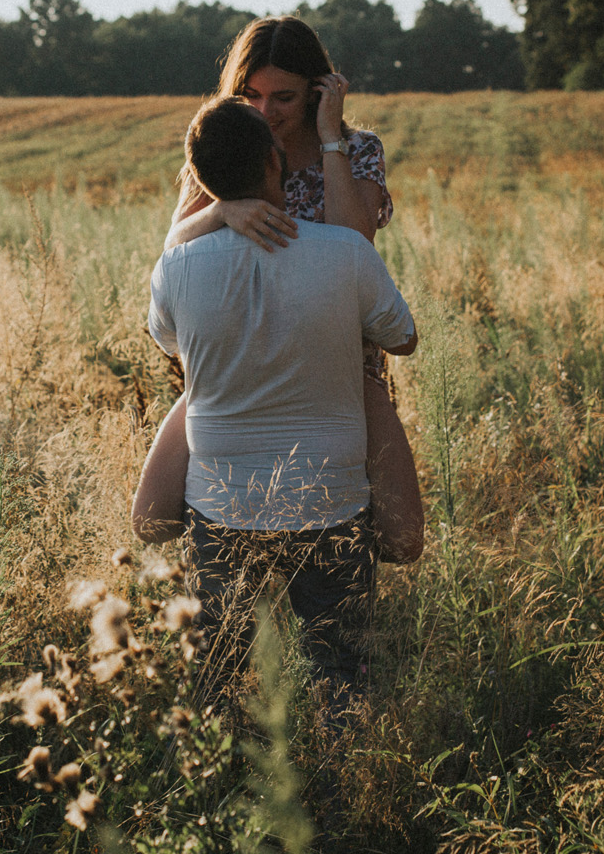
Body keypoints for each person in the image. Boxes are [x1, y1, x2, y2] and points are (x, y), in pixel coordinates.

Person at [144, 95, 418, 712]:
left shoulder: (175, 268)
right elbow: (403, 340)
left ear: (200, 178)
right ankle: (340, 783)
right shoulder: (346, 252)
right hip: (332, 498)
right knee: (341, 672)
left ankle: (216, 785)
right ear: (275, 160)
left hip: (219, 504)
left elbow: (167, 342)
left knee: (213, 674)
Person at [132, 15, 425, 563]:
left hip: (335, 362)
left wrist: (332, 139)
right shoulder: (228, 146)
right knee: (234, 518)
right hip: (240, 362)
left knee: (343, 520)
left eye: (285, 97)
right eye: (252, 95)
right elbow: (173, 248)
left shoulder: (358, 149)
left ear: (319, 91)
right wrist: (223, 208)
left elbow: (352, 242)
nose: (266, 113)